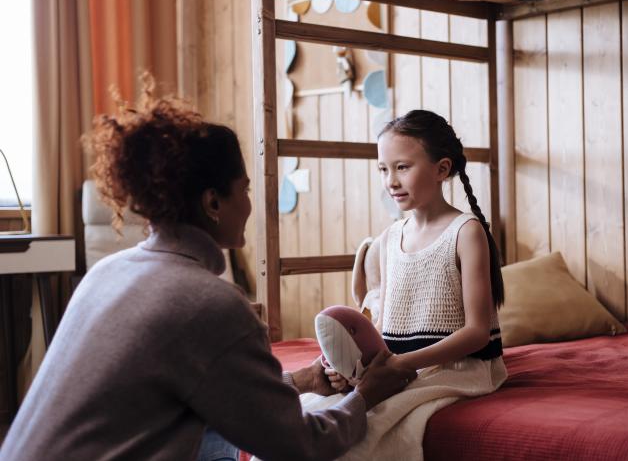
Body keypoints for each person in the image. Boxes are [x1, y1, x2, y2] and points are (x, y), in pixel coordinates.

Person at [0, 75, 415, 461]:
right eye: (245, 190)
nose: (250, 205)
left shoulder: (108, 272)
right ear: (213, 202)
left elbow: (199, 389)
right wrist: (366, 396)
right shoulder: (211, 304)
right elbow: (301, 445)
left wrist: (304, 380)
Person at [312, 109, 508, 461]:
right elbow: (384, 326)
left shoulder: (466, 232)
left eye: (402, 167)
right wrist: (353, 369)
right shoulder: (390, 238)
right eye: (383, 170)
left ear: (442, 169)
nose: (391, 181)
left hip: (458, 369)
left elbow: (478, 333)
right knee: (314, 410)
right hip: (402, 365)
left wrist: (401, 365)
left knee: (372, 425)